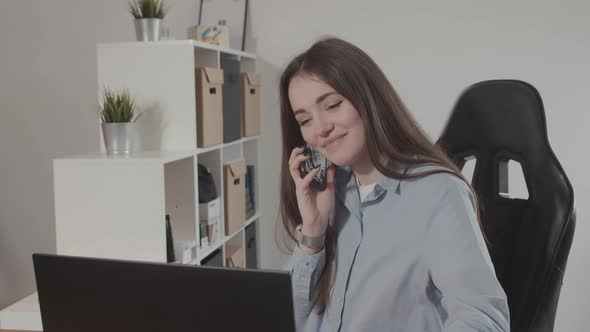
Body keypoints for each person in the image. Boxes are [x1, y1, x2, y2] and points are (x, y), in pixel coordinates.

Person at [278, 37, 510, 332]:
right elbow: (284, 318)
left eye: (333, 105)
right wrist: (312, 232)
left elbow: (483, 319)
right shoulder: (332, 194)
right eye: (305, 120)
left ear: (368, 98)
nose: (321, 128)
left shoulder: (436, 192)